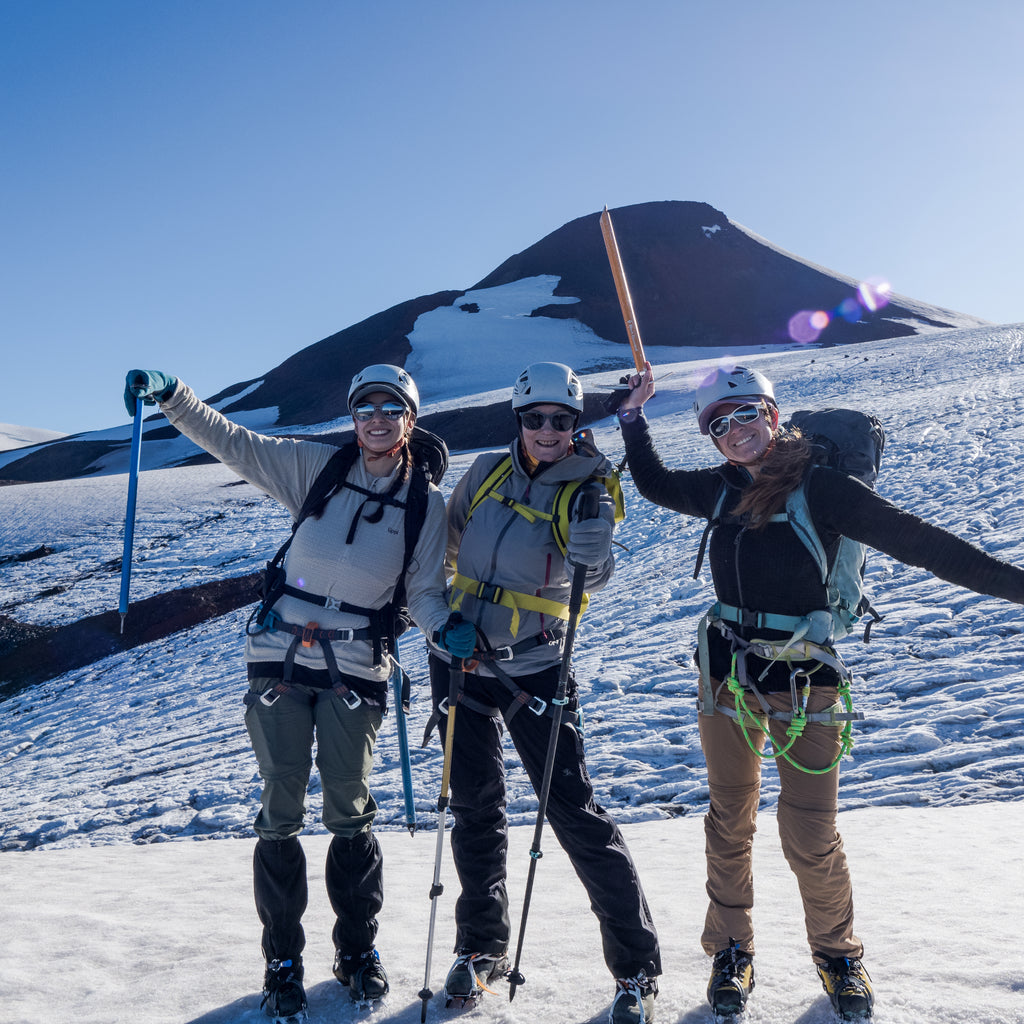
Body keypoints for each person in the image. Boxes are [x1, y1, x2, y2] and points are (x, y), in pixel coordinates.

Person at [615, 361, 1024, 1021]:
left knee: (809, 831)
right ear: (713, 438)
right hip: (727, 675)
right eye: (719, 424)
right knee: (729, 819)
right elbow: (655, 483)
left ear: (772, 416)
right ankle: (730, 950)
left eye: (746, 413)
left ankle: (839, 956)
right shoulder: (720, 490)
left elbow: (928, 547)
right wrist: (633, 418)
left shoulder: (824, 488)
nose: (735, 430)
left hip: (806, 681)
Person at [124, 365, 465, 1021]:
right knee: (280, 806)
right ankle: (281, 962)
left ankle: (357, 953)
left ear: (410, 422)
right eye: (365, 407)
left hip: (358, 664)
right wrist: (173, 395)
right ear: (353, 416)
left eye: (391, 409)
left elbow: (423, 590)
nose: (377, 418)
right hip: (278, 657)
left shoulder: (425, 503)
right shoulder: (317, 469)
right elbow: (234, 442)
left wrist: (445, 627)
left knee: (350, 807)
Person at [426, 362, 662, 1024]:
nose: (549, 431)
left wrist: (599, 550)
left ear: (576, 422)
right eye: (536, 419)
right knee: (475, 807)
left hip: (536, 667)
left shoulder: (592, 482)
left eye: (563, 419)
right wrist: (445, 623)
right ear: (519, 421)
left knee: (572, 812)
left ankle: (636, 967)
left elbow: (599, 567)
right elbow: (447, 545)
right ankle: (480, 949)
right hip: (460, 662)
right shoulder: (486, 472)